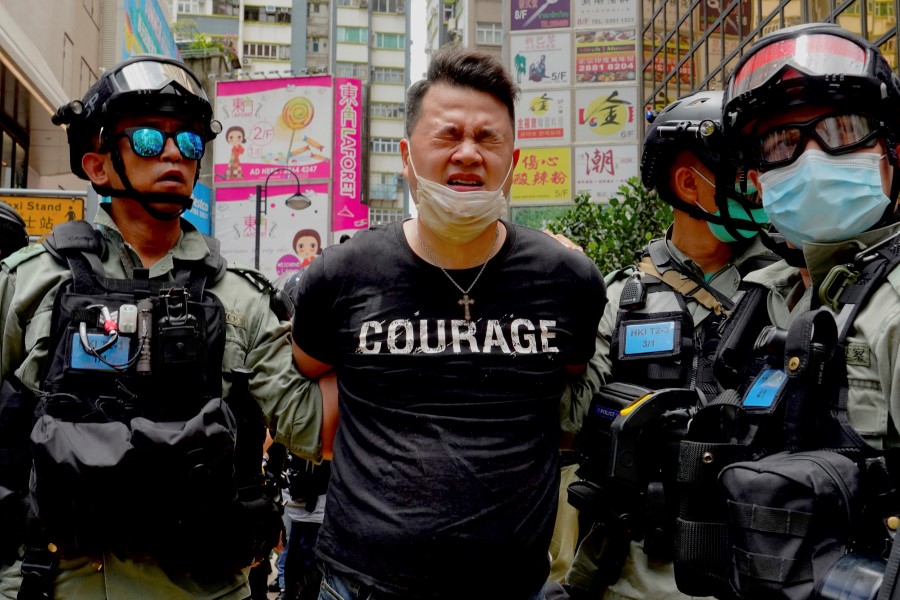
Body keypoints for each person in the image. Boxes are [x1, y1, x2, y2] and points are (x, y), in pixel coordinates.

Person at [0, 55, 328, 600]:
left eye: (191, 142)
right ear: (98, 165)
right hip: (46, 586)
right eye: (149, 140)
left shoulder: (243, 300)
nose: (175, 152)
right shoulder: (30, 285)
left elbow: (312, 428)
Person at [291, 46, 606, 599]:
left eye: (488, 138)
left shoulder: (567, 278)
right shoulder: (341, 275)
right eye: (448, 135)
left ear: (515, 159)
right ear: (407, 157)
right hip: (360, 585)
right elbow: (309, 370)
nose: (468, 153)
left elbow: (573, 377)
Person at [671, 22, 900, 600]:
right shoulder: (770, 295)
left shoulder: (893, 303)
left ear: (891, 152)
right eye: (781, 144)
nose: (810, 157)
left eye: (840, 130)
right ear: (758, 180)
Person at [562, 90, 775, 600]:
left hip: (763, 566)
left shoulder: (789, 284)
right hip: (637, 575)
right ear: (688, 182)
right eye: (745, 170)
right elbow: (568, 420)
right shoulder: (620, 296)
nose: (761, 184)